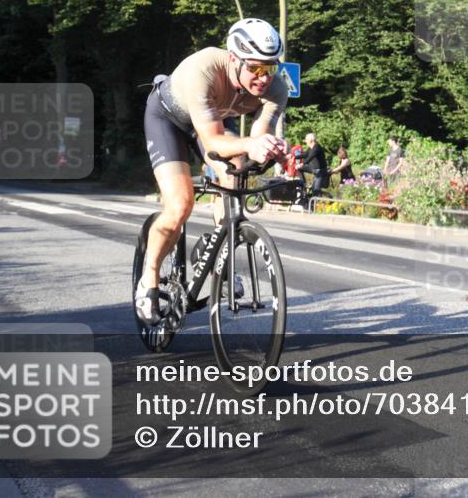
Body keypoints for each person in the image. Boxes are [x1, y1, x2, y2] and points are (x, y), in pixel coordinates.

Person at [138, 17, 290, 326]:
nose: (263, 78)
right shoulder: (205, 69)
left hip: (213, 120)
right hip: (169, 120)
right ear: (233, 58)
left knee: (235, 172)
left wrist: (269, 147)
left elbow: (257, 137)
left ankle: (221, 256)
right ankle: (148, 279)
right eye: (255, 69)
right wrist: (250, 144)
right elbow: (211, 142)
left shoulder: (276, 88)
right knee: (180, 205)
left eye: (270, 68)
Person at [301, 132, 328, 197]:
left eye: (306, 140)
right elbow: (305, 154)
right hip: (314, 169)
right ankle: (303, 184)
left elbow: (311, 156)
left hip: (320, 172)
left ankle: (328, 197)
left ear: (311, 140)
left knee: (316, 191)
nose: (306, 142)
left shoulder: (317, 148)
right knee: (300, 168)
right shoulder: (310, 148)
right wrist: (293, 156)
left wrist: (302, 163)